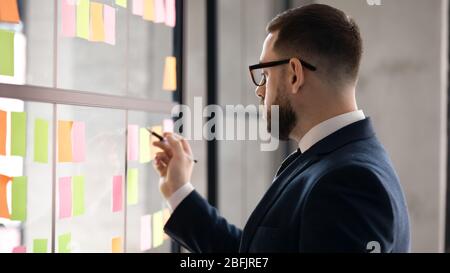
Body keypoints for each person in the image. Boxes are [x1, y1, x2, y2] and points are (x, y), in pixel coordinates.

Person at [152, 4, 410, 253]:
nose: (260, 90)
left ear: (294, 75)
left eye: (265, 74)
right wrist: (179, 191)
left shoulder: (349, 183)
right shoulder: (335, 163)